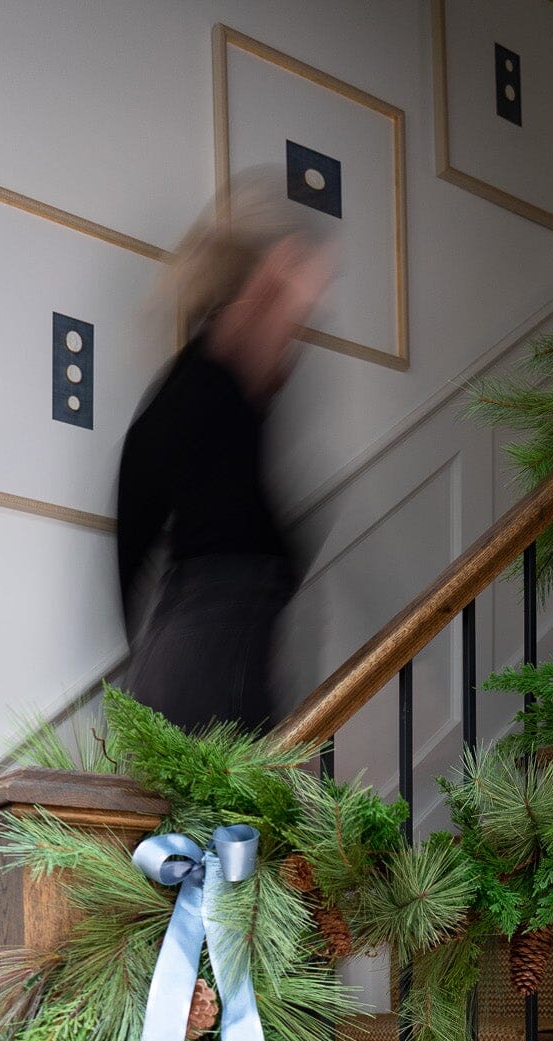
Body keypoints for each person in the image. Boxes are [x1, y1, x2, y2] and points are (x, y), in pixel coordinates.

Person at [116, 184, 333, 732]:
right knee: (242, 804)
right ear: (261, 287)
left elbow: (133, 529)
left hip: (181, 634)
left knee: (209, 806)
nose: (299, 329)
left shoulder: (187, 391)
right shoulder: (220, 368)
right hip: (213, 627)